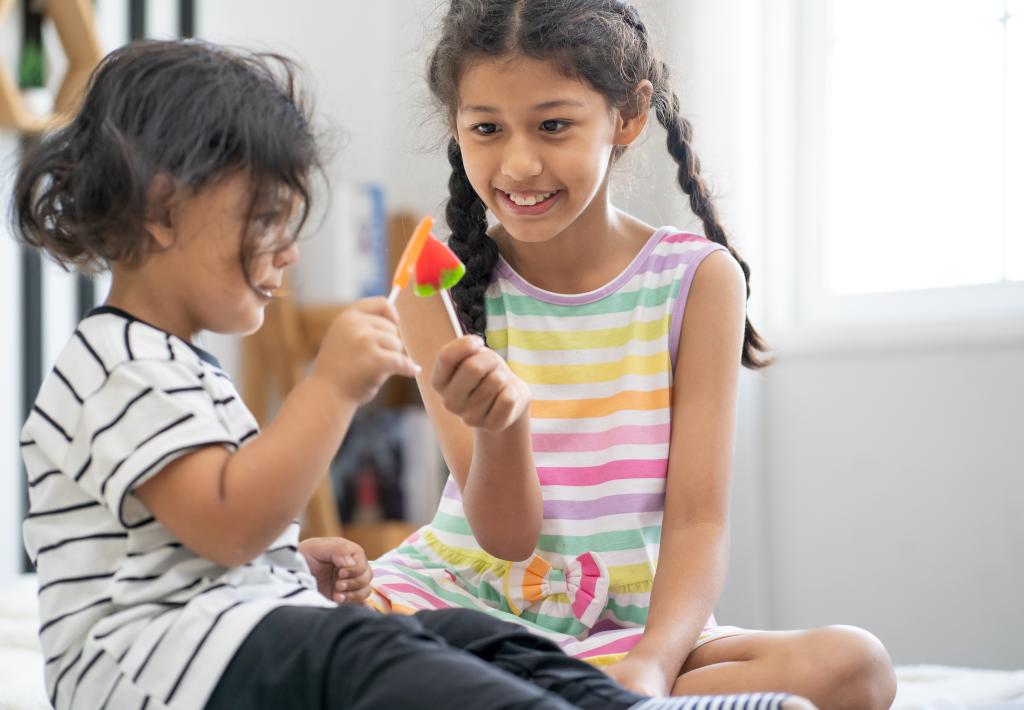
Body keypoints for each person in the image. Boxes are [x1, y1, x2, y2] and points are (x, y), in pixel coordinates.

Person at [14, 39, 808, 710]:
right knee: (383, 657)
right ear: (162, 209)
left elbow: (207, 531)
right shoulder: (113, 364)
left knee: (468, 641)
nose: (288, 254)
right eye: (265, 223)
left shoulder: (162, 364)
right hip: (159, 670)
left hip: (220, 638)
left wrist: (292, 557)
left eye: (553, 123)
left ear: (626, 117)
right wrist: (328, 390)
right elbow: (228, 524)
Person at [369, 2, 897, 709]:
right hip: (457, 608)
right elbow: (504, 537)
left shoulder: (698, 281)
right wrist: (502, 424)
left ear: (628, 115)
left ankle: (558, 693)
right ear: (456, 126)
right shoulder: (435, 287)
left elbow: (698, 522)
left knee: (854, 667)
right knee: (303, 625)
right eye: (486, 128)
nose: (519, 163)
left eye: (553, 125)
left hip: (626, 627)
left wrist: (653, 661)